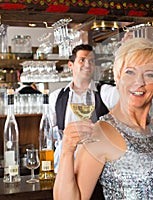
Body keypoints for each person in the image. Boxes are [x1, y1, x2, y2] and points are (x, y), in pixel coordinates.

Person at [53, 38, 153, 200]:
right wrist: (67, 151)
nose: (138, 82)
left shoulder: (152, 127)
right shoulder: (102, 132)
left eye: (149, 74)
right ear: (118, 78)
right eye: (130, 72)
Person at [49, 44, 118, 173]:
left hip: (97, 167)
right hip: (64, 166)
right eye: (82, 60)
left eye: (91, 61)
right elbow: (50, 134)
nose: (87, 64)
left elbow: (125, 99)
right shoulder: (56, 97)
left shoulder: (104, 92)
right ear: (71, 65)